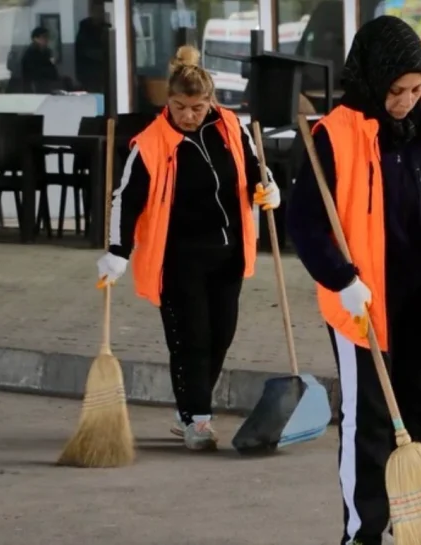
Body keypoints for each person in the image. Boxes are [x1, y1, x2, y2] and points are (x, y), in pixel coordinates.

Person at [286, 16, 421, 545]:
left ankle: (416, 527)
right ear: (373, 80)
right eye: (396, 90)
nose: (407, 100)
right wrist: (340, 278)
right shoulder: (335, 135)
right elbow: (305, 223)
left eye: (416, 88)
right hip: (362, 301)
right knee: (369, 421)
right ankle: (363, 533)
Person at [96, 45, 281, 452]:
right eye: (180, 107)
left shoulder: (230, 127)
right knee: (191, 340)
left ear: (210, 102)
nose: (188, 116)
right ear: (169, 101)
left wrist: (268, 186)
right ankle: (197, 418)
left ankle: (190, 411)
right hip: (178, 259)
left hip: (229, 253)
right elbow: (126, 199)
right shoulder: (151, 143)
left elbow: (253, 167)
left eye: (197, 108)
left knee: (221, 336)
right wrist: (117, 251)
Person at [75, 0, 112, 93]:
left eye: (101, 11)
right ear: (92, 12)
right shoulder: (85, 27)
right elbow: (84, 50)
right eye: (97, 11)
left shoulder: (106, 27)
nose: (99, 14)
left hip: (105, 72)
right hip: (89, 72)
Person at [21, 27, 61, 93]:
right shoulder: (30, 53)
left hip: (47, 83)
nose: (46, 39)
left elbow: (51, 66)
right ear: (35, 39)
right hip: (35, 84)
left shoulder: (47, 51)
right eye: (43, 37)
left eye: (47, 37)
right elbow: (32, 71)